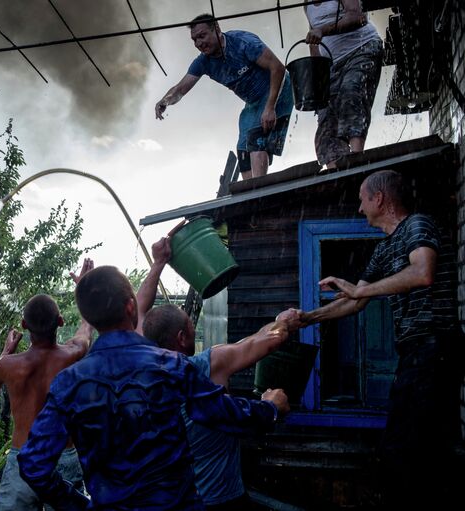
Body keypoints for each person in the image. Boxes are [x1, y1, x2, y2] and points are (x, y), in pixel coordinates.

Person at [17, 264, 290, 510]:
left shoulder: (69, 383)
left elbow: (33, 466)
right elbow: (225, 415)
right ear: (131, 308)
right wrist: (270, 408)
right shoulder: (171, 366)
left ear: (89, 317)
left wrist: (78, 505)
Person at [296, 170, 464, 508]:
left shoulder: (417, 226)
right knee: (412, 446)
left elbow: (423, 273)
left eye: (362, 199)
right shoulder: (385, 248)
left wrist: (362, 289)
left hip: (436, 346)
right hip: (416, 353)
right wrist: (306, 319)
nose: (359, 208)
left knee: (410, 448)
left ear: (379, 199)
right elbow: (356, 300)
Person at [137, 230, 299, 510]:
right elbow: (269, 341)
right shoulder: (206, 366)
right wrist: (283, 322)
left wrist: (158, 264)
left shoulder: (141, 360)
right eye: (190, 326)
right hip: (219, 500)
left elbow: (139, 309)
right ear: (182, 339)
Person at [0, 260, 94, 511]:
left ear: (23, 325)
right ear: (61, 322)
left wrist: (6, 352)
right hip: (63, 456)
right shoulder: (72, 353)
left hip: (23, 457)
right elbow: (87, 326)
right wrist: (83, 288)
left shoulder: (8, 365)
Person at [155, 14, 293, 180]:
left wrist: (270, 107)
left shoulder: (243, 43)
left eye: (202, 36)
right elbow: (180, 89)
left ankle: (260, 191)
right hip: (253, 103)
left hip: (278, 91)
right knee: (243, 151)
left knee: (257, 139)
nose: (199, 43)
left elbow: (277, 68)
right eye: (194, 40)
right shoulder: (203, 62)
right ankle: (250, 194)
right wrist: (165, 101)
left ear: (217, 30)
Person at [303, 1, 383, 168]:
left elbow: (359, 17)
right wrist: (318, 81)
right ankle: (336, 170)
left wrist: (322, 30)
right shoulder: (307, 5)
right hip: (332, 65)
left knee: (351, 91)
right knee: (325, 116)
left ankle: (356, 156)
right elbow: (313, 40)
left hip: (362, 49)